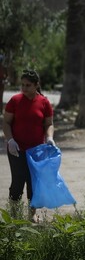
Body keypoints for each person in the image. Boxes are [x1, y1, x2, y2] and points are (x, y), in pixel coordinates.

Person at [3, 70, 55, 221]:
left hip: (37, 151)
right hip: (16, 149)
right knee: (18, 182)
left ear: (36, 85)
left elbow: (49, 124)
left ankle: (31, 214)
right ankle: (13, 215)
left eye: (28, 85)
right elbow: (6, 122)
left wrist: (50, 137)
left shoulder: (44, 103)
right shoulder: (15, 100)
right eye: (22, 85)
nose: (24, 88)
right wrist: (10, 140)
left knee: (33, 183)